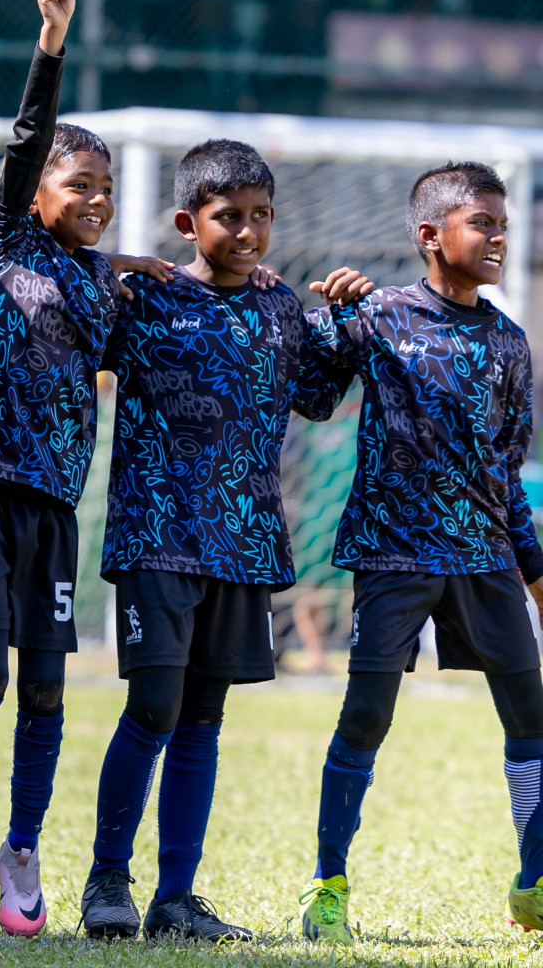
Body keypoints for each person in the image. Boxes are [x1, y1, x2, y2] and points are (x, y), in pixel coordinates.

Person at [78, 139, 372, 942]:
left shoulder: (281, 309)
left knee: (203, 719)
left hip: (241, 543)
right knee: (153, 706)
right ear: (187, 221)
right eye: (228, 217)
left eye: (261, 216)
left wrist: (344, 322)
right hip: (155, 536)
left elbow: (315, 398)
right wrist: (110, 268)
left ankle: (177, 898)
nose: (247, 232)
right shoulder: (145, 302)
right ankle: (108, 884)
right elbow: (68, 308)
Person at [0, 0, 159, 937]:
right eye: (79, 184)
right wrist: (51, 46)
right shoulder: (4, 241)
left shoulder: (104, 284)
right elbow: (25, 146)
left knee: (49, 685)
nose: (95, 199)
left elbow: (139, 307)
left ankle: (23, 847)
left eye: (105, 188)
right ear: (33, 195)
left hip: (55, 506)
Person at [296, 162, 543, 945]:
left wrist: (532, 570)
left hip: (483, 559)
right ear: (431, 236)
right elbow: (313, 395)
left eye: (503, 224)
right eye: (485, 224)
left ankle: (535, 880)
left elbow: (508, 472)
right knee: (367, 715)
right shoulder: (381, 315)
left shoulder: (509, 339)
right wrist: (328, 317)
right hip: (394, 556)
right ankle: (327, 883)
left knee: (531, 719)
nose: (500, 237)